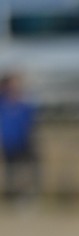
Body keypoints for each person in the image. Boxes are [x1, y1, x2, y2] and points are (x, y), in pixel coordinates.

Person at [0, 72, 41, 201]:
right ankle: (12, 196)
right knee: (11, 170)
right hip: (9, 142)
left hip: (24, 141)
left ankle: (28, 194)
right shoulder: (3, 103)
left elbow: (31, 120)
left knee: (27, 168)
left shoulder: (24, 104)